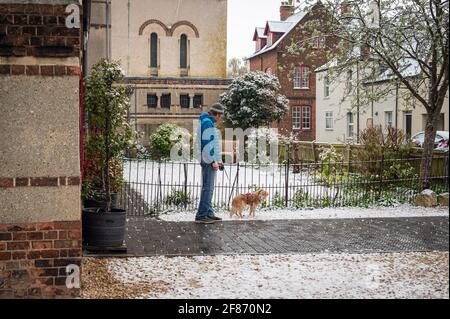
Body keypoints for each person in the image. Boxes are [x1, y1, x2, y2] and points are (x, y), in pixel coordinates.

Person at [195, 103, 225, 224]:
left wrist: (219, 160)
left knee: (209, 187)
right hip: (208, 159)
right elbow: (207, 144)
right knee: (208, 188)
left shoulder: (208, 122)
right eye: (220, 115)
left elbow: (213, 144)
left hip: (209, 159)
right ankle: (202, 215)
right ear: (216, 114)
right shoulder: (207, 122)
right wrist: (213, 161)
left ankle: (208, 213)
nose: (220, 118)